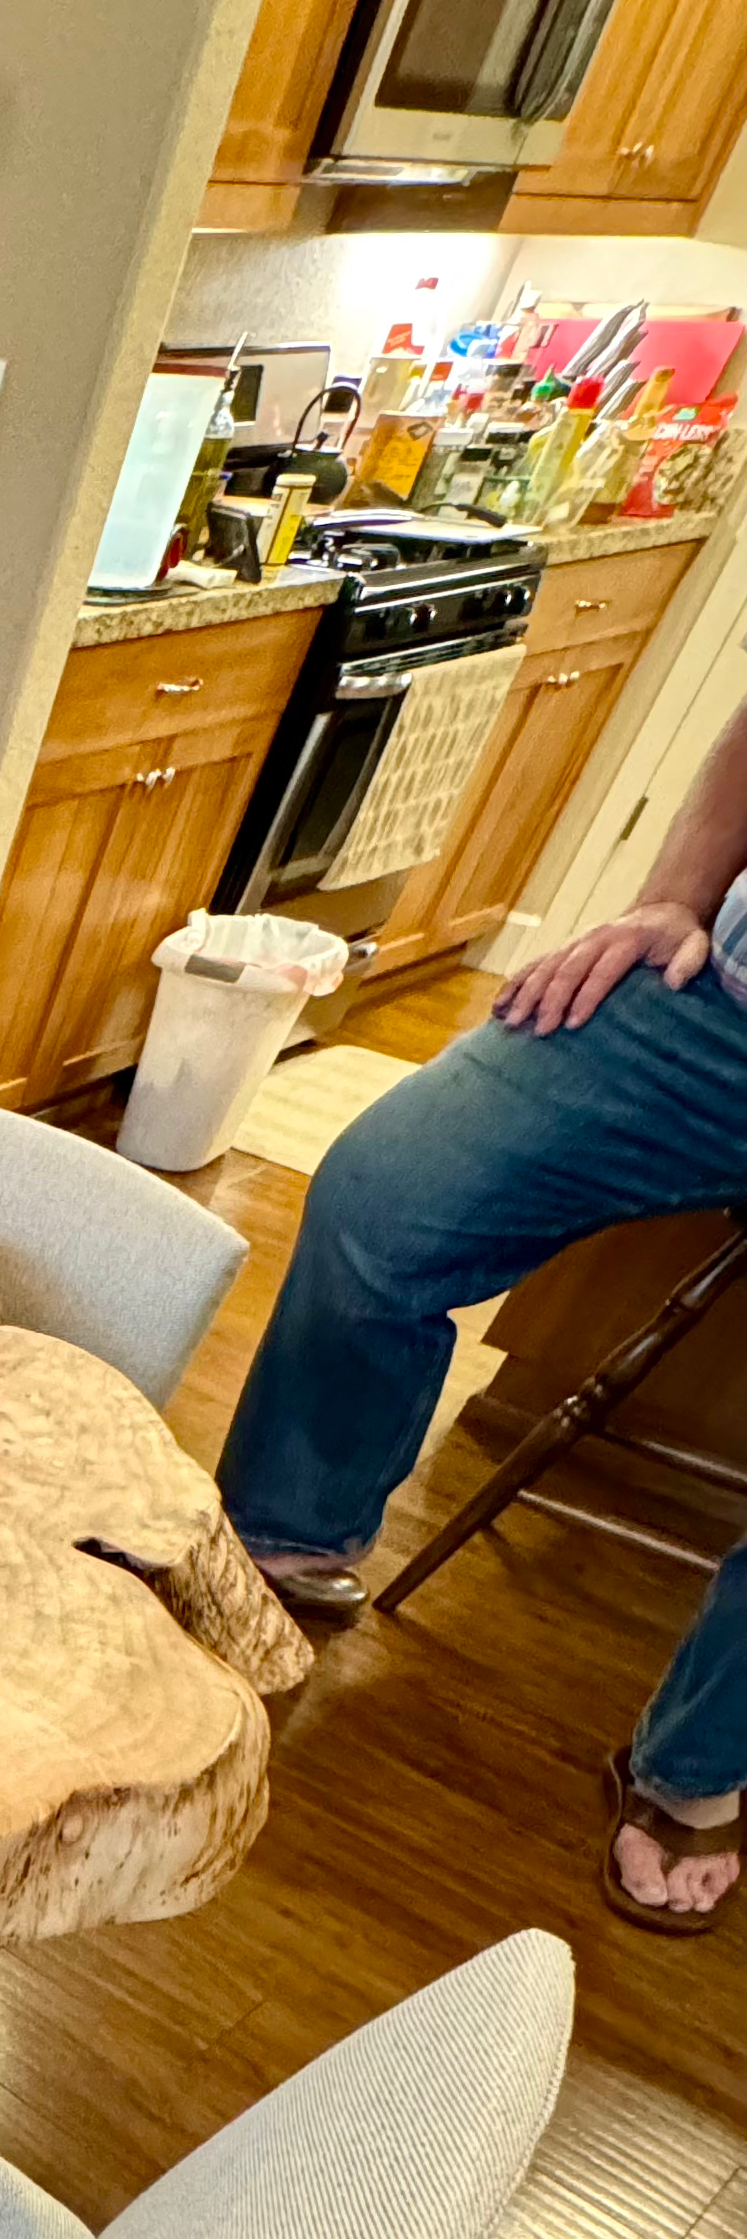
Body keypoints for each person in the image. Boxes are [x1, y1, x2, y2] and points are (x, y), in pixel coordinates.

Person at [216, 683, 747, 1932]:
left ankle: (699, 1768)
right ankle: (289, 1534)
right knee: (386, 1195)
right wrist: (673, 895)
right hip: (722, 1009)